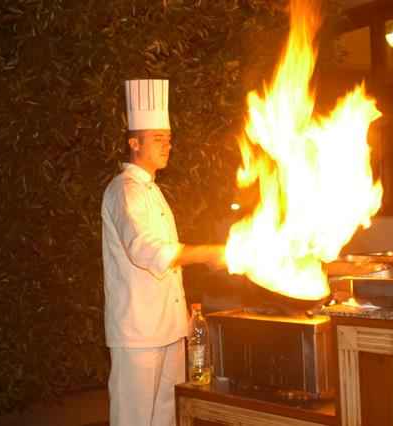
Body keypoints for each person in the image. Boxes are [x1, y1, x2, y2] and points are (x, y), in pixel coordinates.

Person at [101, 78, 225, 426]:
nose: (167, 145)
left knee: (167, 418)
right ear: (134, 143)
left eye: (168, 139)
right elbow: (145, 250)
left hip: (170, 329)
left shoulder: (153, 190)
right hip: (138, 332)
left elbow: (168, 263)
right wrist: (208, 253)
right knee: (134, 419)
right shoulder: (125, 190)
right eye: (157, 139)